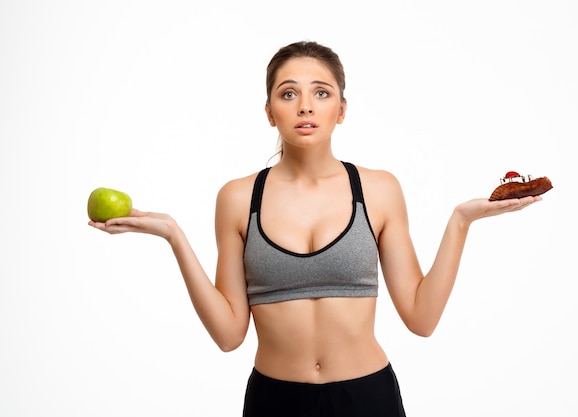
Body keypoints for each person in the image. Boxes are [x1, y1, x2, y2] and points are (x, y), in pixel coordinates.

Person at [89, 41, 541, 416]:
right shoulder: (237, 198)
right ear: (269, 110)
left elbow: (421, 319)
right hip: (274, 400)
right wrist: (173, 235)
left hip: (368, 398)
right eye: (288, 94)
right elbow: (229, 336)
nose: (305, 105)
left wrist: (460, 222)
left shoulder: (378, 190)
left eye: (321, 93)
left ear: (341, 110)